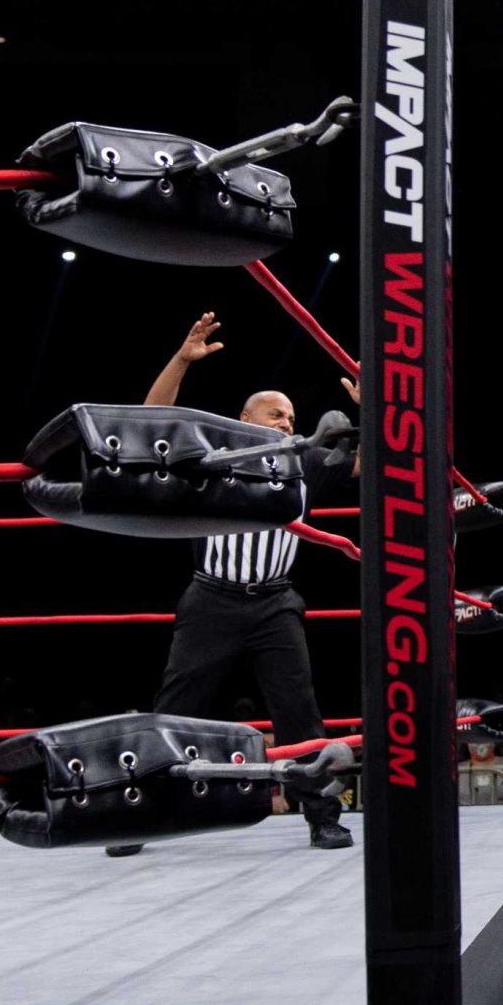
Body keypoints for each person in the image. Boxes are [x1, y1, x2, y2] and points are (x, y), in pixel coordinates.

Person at [142, 311, 358, 849]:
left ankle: (322, 815)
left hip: (275, 604)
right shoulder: (212, 458)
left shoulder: (307, 463)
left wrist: (373, 408)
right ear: (244, 417)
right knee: (176, 709)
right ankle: (141, 815)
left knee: (298, 711)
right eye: (275, 413)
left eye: (291, 417)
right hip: (210, 599)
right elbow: (150, 424)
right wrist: (181, 360)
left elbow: (383, 459)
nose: (286, 422)